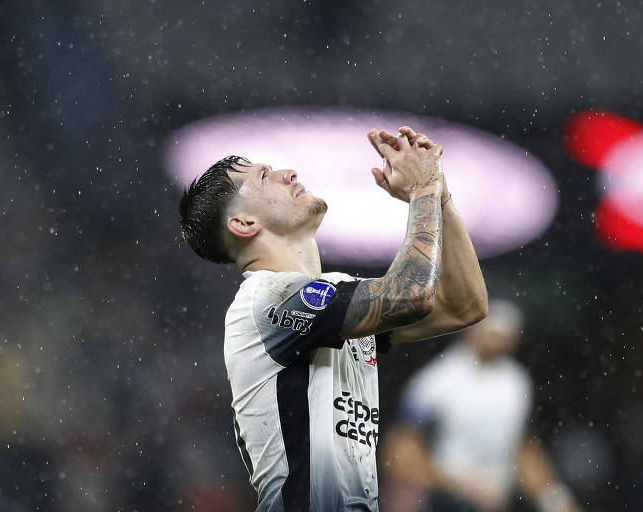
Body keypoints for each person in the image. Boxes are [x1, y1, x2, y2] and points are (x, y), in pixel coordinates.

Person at [177, 126, 488, 511]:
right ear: (243, 225)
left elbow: (465, 305)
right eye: (263, 176)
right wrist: (421, 189)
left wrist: (439, 195)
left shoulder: (335, 298)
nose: (287, 173)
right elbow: (412, 295)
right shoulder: (263, 300)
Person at [381, 299, 582, 512]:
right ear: (472, 330)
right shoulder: (437, 383)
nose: (498, 339)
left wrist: (556, 502)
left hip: (496, 501)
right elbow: (399, 455)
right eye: (493, 330)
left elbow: (522, 449)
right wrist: (463, 485)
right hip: (444, 502)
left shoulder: (516, 381)